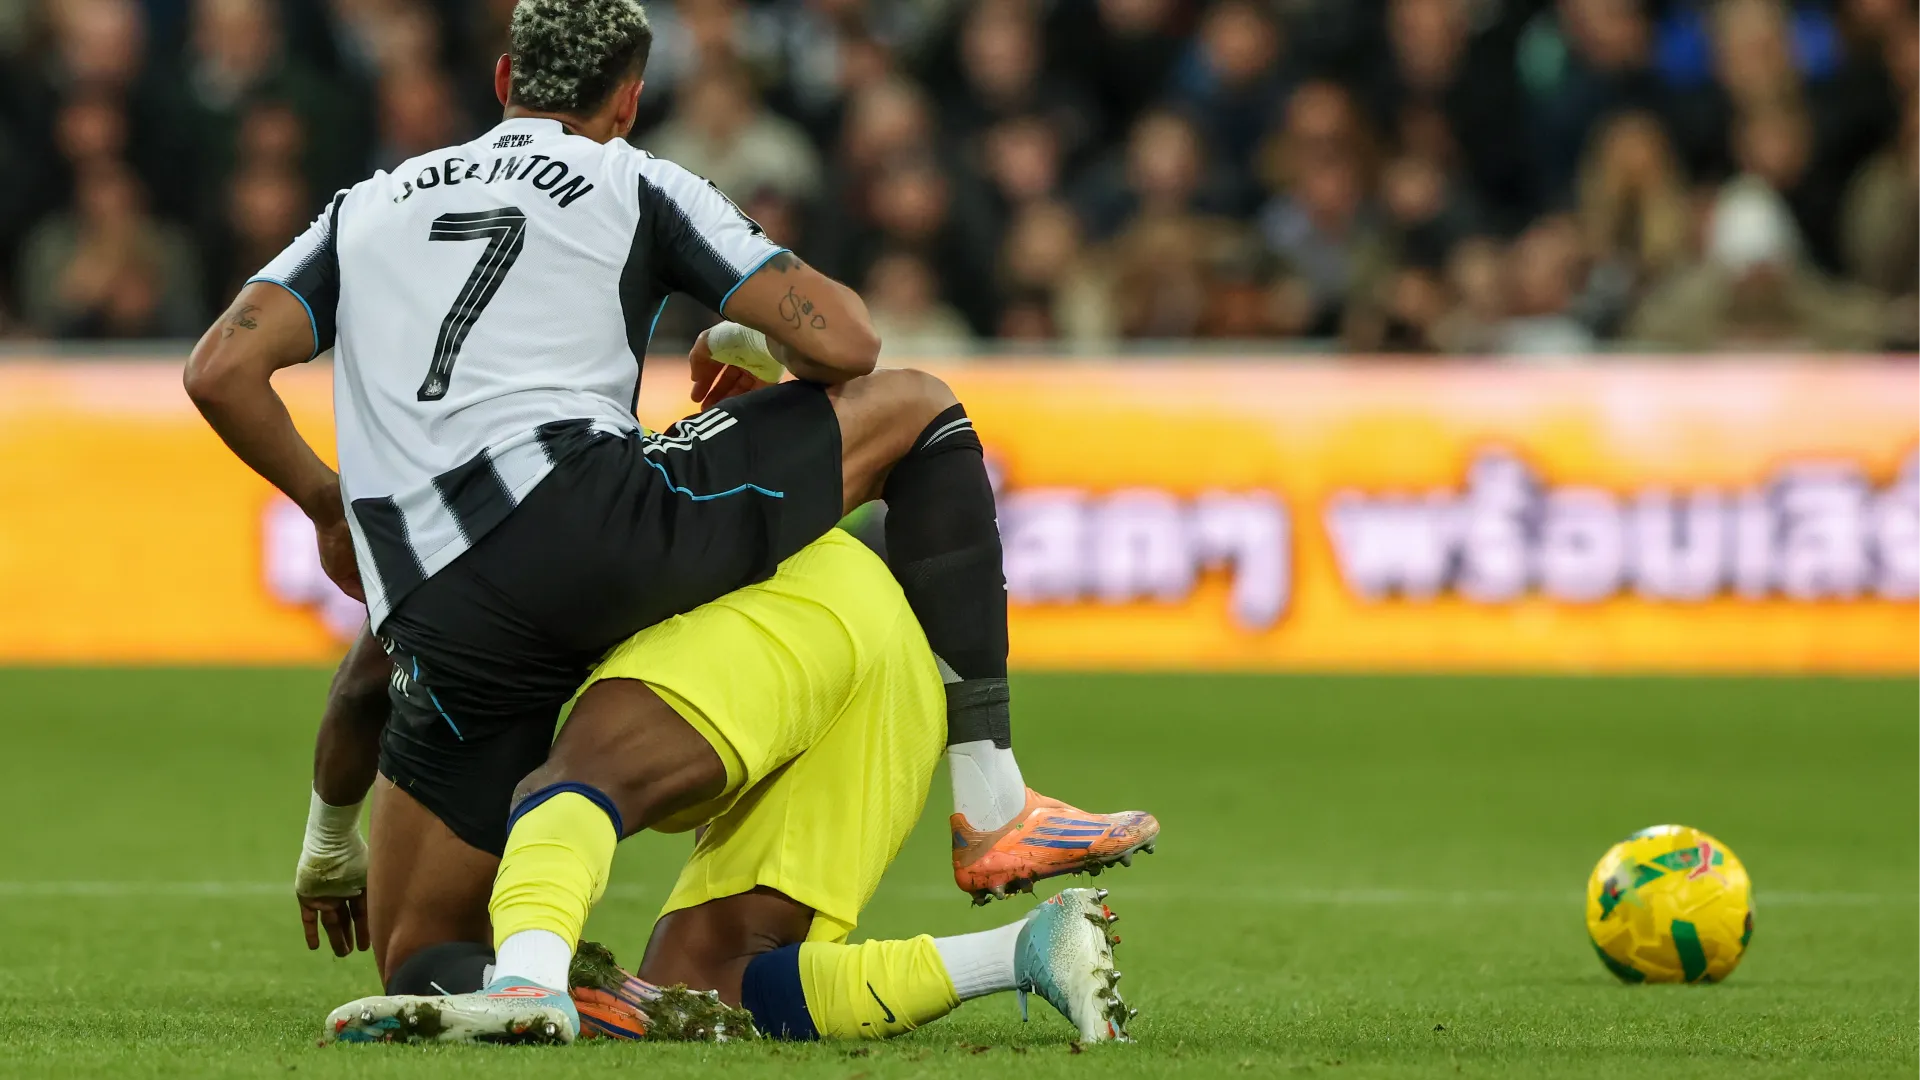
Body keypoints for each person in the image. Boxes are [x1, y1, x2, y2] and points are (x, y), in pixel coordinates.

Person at [181, 0, 1155, 1040]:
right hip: (594, 524)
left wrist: (327, 505)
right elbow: (849, 343)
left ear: (504, 81)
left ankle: (536, 981)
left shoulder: (367, 207)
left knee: (419, 951)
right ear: (631, 100)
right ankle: (993, 805)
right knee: (919, 410)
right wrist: (738, 329)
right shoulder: (631, 178)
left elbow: (220, 369)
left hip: (441, 596)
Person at [308, 528, 1133, 1045]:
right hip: (898, 668)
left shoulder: (459, 528)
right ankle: (1027, 948)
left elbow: (360, 686)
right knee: (713, 985)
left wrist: (329, 843)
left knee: (574, 782)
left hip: (799, 606)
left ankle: (525, 984)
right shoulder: (544, 480)